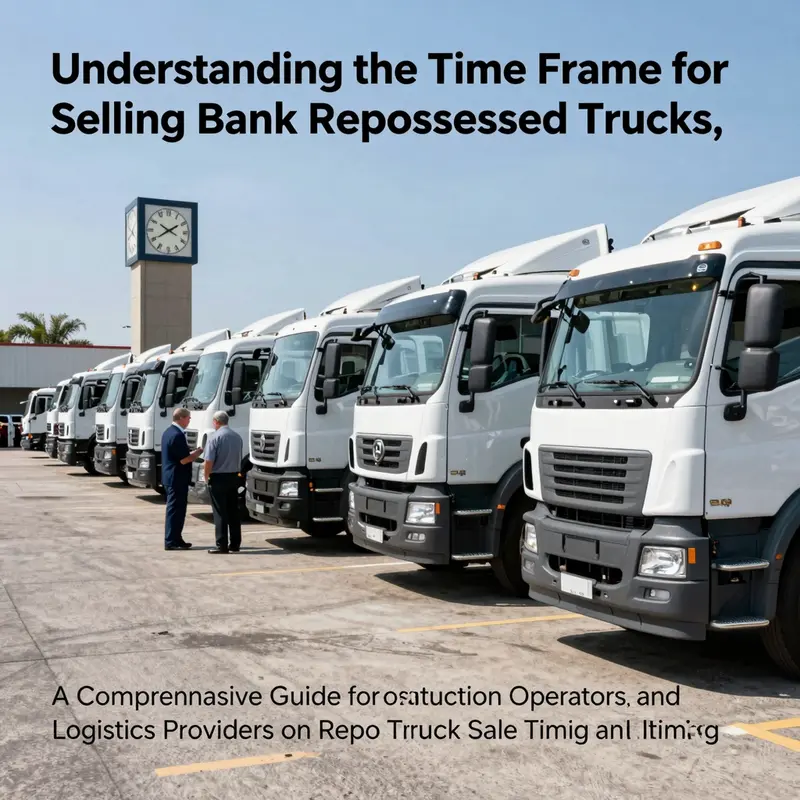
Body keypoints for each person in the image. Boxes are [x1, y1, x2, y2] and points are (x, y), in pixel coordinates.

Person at [161, 407, 203, 551]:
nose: (189, 420)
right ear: (181, 418)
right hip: (176, 478)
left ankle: (177, 538)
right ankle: (171, 541)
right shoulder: (177, 435)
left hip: (171, 477)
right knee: (175, 510)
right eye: (188, 418)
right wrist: (197, 453)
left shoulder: (168, 432)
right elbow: (184, 460)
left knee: (178, 510)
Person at [204, 410, 244, 554]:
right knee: (233, 511)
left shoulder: (214, 437)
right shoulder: (237, 437)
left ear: (216, 421)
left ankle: (221, 544)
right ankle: (235, 543)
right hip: (233, 477)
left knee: (220, 512)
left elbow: (208, 460)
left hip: (218, 477)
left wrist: (206, 476)